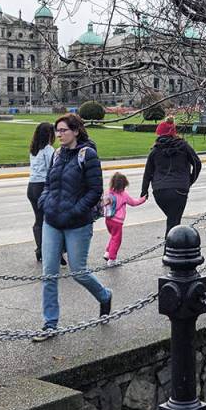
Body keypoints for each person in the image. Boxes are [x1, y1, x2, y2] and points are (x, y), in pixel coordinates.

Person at [33, 113, 112, 341]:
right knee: (49, 274)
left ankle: (104, 296)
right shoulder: (57, 154)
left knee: (78, 271)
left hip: (77, 223)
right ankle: (50, 324)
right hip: (52, 222)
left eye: (63, 130)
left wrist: (75, 210)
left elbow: (95, 190)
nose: (59, 134)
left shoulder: (88, 155)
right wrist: (45, 203)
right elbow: (48, 184)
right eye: (57, 130)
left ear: (76, 131)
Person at [140, 116, 202, 233]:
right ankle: (170, 244)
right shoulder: (184, 147)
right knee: (174, 221)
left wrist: (144, 191)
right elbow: (197, 163)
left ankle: (171, 243)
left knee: (173, 220)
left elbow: (148, 172)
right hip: (179, 189)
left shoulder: (155, 151)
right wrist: (189, 181)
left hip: (160, 191)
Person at [102, 172, 146, 266]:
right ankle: (112, 259)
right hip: (117, 222)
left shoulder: (108, 192)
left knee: (113, 236)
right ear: (124, 184)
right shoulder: (123, 195)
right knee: (117, 240)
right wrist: (143, 199)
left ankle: (107, 253)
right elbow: (134, 203)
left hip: (108, 220)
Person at [26, 122, 55, 261]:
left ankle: (39, 248)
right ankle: (48, 249)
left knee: (38, 219)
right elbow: (52, 168)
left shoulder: (34, 149)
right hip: (42, 185)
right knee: (48, 219)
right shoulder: (48, 149)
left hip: (31, 186)